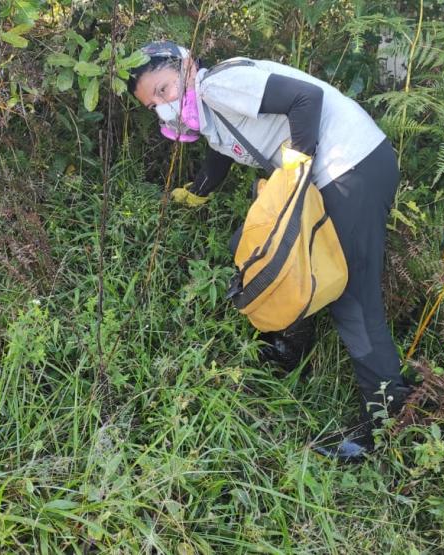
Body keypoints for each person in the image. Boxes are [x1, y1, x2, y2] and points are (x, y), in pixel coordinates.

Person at [127, 41, 410, 461]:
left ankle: (386, 421)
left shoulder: (217, 86)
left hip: (349, 167)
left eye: (164, 90)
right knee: (254, 248)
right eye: (153, 105)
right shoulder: (210, 108)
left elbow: (305, 99)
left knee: (352, 299)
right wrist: (198, 193)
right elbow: (220, 152)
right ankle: (289, 345)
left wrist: (295, 169)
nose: (164, 108)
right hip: (331, 172)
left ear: (187, 66)